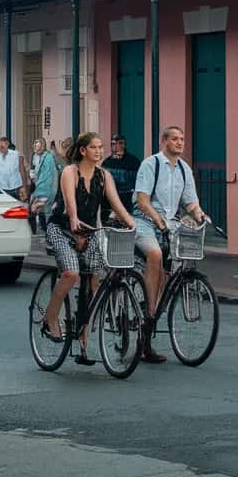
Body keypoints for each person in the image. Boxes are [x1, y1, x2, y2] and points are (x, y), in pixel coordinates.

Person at [42, 132, 137, 361]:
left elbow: (117, 204)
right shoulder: (69, 172)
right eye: (94, 147)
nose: (99, 151)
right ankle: (51, 318)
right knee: (71, 273)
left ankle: (83, 334)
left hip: (89, 231)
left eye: (101, 147)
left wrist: (133, 225)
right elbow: (70, 204)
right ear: (83, 150)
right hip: (62, 228)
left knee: (95, 279)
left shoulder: (104, 176)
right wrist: (73, 219)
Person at [133, 125, 206, 363]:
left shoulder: (185, 169)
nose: (180, 143)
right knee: (154, 254)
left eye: (182, 139)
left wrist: (200, 215)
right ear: (164, 141)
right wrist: (158, 220)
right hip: (145, 221)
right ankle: (149, 310)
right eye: (175, 139)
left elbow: (191, 202)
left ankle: (153, 313)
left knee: (173, 268)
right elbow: (142, 201)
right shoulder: (151, 164)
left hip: (170, 224)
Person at [100, 133, 141, 222]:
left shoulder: (133, 162)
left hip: (127, 200)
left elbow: (137, 183)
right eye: (114, 144)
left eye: (120, 143)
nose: (117, 146)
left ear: (124, 145)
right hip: (109, 201)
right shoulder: (106, 162)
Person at [29, 138, 56, 234]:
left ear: (43, 147)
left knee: (42, 209)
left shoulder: (48, 157)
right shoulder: (35, 156)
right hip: (37, 186)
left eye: (39, 146)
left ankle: (48, 230)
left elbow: (48, 175)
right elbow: (33, 168)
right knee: (38, 210)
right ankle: (43, 229)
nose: (37, 148)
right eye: (35, 146)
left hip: (45, 188)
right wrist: (32, 176)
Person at [0, 136, 27, 200]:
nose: (1, 149)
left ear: (7, 145)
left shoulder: (16, 155)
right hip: (1, 188)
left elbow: (22, 170)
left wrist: (24, 186)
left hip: (15, 188)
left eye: (2, 147)